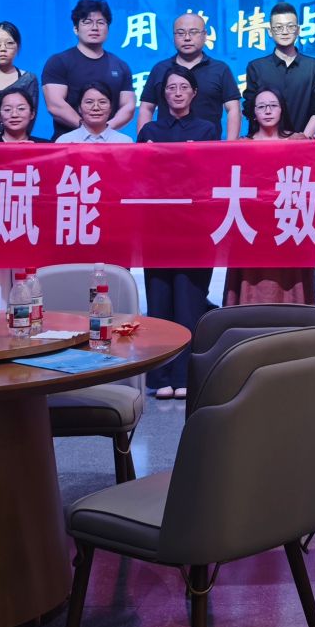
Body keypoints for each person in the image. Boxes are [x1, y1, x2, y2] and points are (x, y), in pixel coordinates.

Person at [137, 69, 221, 398]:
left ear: (194, 93)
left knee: (189, 303)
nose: (177, 92)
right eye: (171, 87)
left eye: (183, 87)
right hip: (157, 227)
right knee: (159, 302)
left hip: (194, 227)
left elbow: (211, 173)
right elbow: (141, 175)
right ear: (163, 94)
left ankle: (185, 376)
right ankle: (159, 377)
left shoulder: (207, 129)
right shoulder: (150, 131)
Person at [222, 91, 315, 308]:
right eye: (261, 106)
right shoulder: (240, 145)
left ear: (282, 110)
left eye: (273, 105)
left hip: (288, 222)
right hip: (252, 224)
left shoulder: (299, 141)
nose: (268, 111)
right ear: (253, 113)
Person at [138, 12, 240, 139]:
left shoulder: (220, 69)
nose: (187, 38)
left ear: (205, 35)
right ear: (174, 37)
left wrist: (230, 145)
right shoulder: (160, 69)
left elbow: (233, 109)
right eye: (180, 33)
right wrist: (144, 144)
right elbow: (146, 108)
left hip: (208, 145)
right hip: (164, 146)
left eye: (193, 32)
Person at [40, 0, 135, 134]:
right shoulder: (59, 62)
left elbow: (128, 107)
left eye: (101, 22)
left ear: (108, 29)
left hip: (108, 141)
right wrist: (86, 130)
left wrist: (105, 131)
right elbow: (55, 105)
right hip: (68, 142)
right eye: (87, 22)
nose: (95, 28)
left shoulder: (121, 66)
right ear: (76, 29)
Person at [243, 2, 315, 136]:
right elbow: (250, 109)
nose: (285, 32)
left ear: (298, 30)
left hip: (302, 142)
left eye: (290, 26)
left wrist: (302, 139)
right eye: (278, 27)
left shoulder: (314, 67)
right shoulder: (256, 67)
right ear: (270, 32)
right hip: (265, 142)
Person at [57, 82, 136, 143]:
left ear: (111, 108)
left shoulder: (124, 142)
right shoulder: (65, 141)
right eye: (89, 102)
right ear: (79, 108)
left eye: (102, 102)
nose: (96, 108)